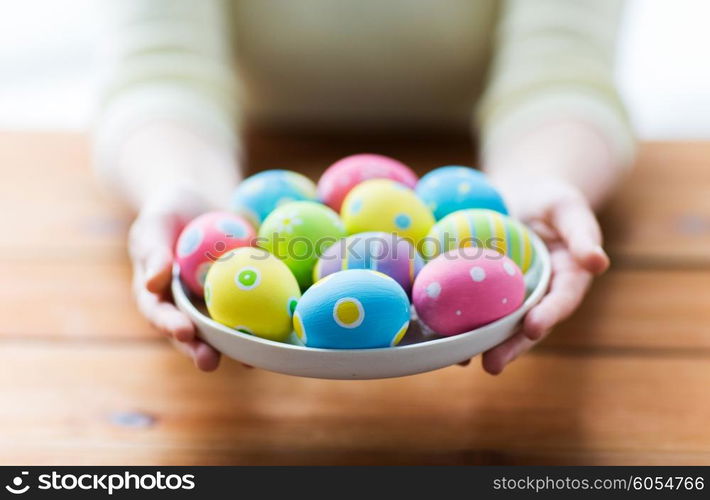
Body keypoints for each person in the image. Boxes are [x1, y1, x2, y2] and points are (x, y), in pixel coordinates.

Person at [94, 0, 635, 374]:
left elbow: (562, 72)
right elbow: (160, 72)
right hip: (252, 155)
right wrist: (181, 184)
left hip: (480, 153)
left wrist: (545, 180)